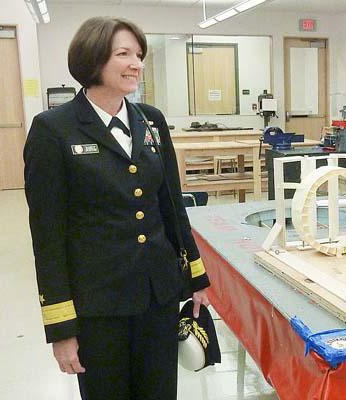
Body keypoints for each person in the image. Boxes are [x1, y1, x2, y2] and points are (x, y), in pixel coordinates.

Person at [24, 17, 211, 400]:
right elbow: (48, 237)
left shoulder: (151, 120)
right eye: (123, 54)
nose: (136, 64)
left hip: (157, 297)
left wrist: (196, 279)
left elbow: (173, 206)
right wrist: (61, 328)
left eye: (139, 55)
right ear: (93, 60)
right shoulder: (53, 129)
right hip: (98, 305)